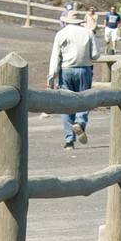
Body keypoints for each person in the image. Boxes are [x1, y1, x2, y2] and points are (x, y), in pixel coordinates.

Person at [48, 12, 99, 148]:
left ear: (67, 21)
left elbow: (55, 56)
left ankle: (69, 140)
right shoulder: (88, 32)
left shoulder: (61, 34)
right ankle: (80, 122)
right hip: (84, 69)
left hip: (66, 70)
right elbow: (95, 55)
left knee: (66, 103)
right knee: (84, 99)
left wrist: (51, 76)